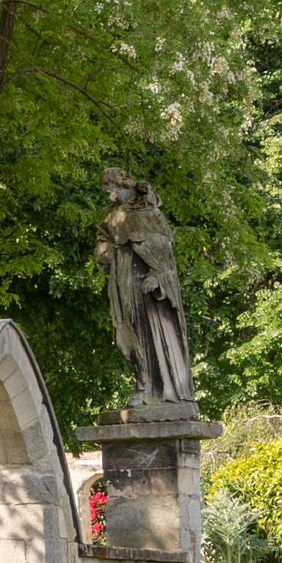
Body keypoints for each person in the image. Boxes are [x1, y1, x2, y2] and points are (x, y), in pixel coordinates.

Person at [98, 169, 194, 405]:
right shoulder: (112, 216)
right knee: (127, 336)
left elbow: (163, 253)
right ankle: (143, 385)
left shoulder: (148, 212)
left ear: (122, 184)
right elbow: (103, 241)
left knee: (150, 335)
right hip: (123, 283)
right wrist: (103, 250)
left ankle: (155, 390)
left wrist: (157, 276)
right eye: (106, 192)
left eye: (111, 190)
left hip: (147, 288)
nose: (109, 196)